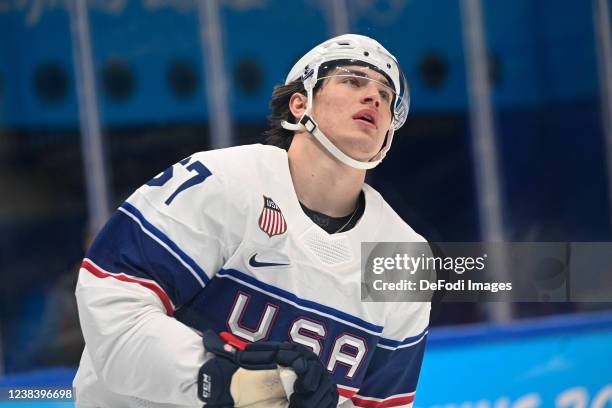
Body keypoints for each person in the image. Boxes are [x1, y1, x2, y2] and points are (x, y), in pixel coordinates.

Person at [73, 34, 430, 408]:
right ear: (299, 103)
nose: (374, 97)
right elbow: (113, 313)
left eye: (387, 96)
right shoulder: (221, 180)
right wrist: (231, 383)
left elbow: (381, 403)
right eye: (353, 81)